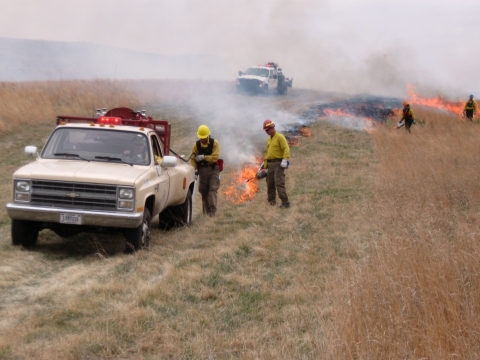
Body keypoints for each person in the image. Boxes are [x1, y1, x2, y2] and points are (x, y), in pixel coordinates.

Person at [190, 125, 220, 217]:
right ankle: (206, 212)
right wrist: (194, 170)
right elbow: (192, 159)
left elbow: (215, 157)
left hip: (213, 169)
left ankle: (212, 211)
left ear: (208, 135)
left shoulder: (214, 143)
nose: (202, 139)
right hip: (202, 170)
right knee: (203, 190)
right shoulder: (196, 145)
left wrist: (204, 157)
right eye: (201, 138)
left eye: (204, 137)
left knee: (212, 189)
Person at [262, 119, 290, 208]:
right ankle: (272, 201)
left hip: (278, 163)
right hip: (270, 164)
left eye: (267, 130)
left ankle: (285, 202)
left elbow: (286, 148)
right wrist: (265, 164)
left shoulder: (280, 137)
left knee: (279, 183)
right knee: (270, 183)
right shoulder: (268, 139)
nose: (266, 132)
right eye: (265, 130)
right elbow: (268, 153)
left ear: (272, 128)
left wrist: (285, 159)